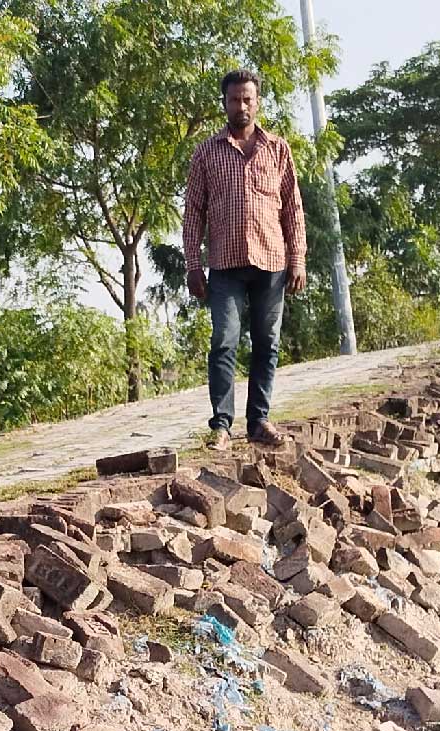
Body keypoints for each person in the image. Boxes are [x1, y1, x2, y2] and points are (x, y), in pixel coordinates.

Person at [181, 68, 305, 449]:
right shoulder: (205, 152)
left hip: (272, 261)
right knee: (224, 340)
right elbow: (194, 212)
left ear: (258, 102)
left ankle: (259, 422)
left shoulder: (278, 149)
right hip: (225, 263)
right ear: (225, 103)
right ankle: (221, 425)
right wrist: (192, 264)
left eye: (248, 99)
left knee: (267, 343)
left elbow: (292, 208)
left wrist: (297, 258)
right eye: (234, 99)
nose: (241, 106)